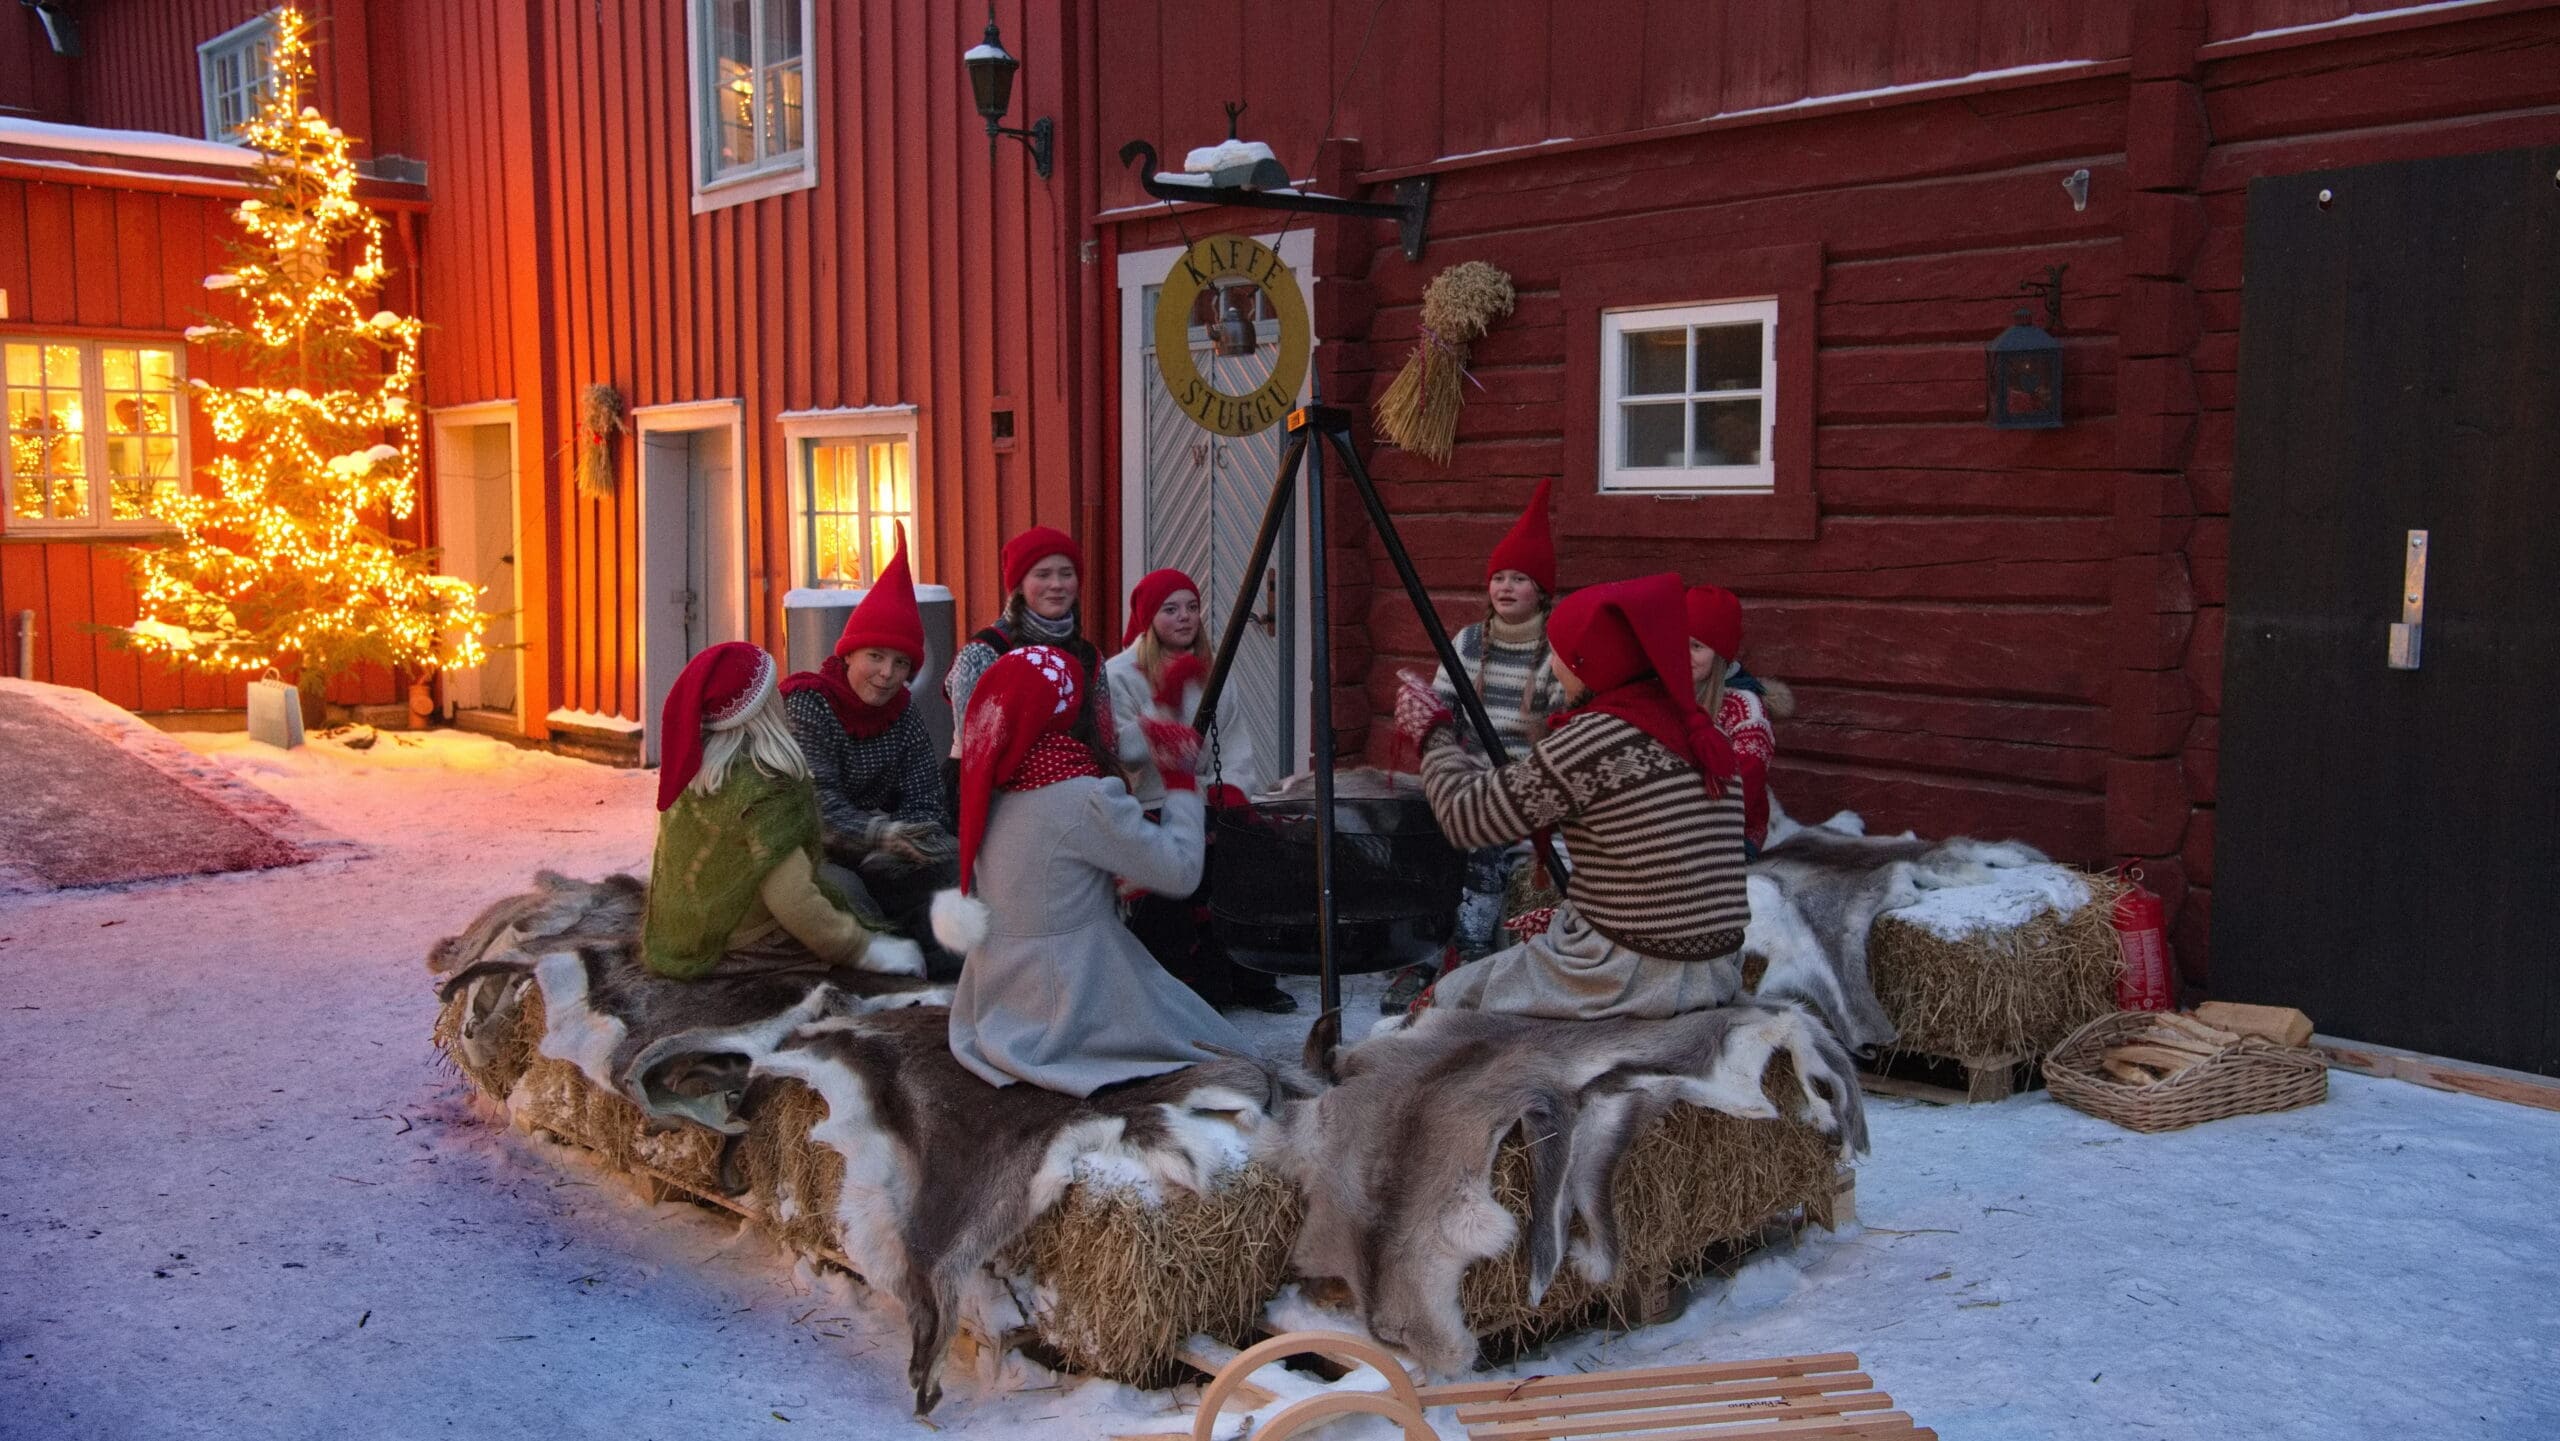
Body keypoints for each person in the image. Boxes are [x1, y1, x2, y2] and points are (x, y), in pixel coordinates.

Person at [1391, 572, 1748, 1021]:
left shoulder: (1599, 737)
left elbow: (1466, 819)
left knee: (1444, 1005)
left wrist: (1433, 732)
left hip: (1627, 970)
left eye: (1555, 653)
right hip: (1713, 967)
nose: (1550, 665)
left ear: (1587, 662)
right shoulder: (1698, 729)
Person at [935, 645, 1248, 1096]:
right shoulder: (1082, 797)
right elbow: (1179, 872)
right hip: (1070, 997)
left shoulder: (992, 783)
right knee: (1229, 1053)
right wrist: (1179, 779)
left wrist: (1159, 717)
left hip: (997, 996)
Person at [1382, 478, 1567, 1012]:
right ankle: (1416, 957)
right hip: (1469, 775)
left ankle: (1473, 951)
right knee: (1416, 833)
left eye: (1520, 579)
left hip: (1527, 783)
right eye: (1499, 578)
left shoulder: (1555, 650)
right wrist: (1426, 714)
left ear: (1542, 591)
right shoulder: (1467, 642)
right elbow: (1445, 712)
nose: (1506, 588)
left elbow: (1565, 729)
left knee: (1482, 842)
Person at [641, 641, 926, 982]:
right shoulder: (766, 787)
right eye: (771, 690)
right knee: (851, 902)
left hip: (700, 929)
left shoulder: (703, 773)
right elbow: (792, 899)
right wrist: (867, 950)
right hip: (745, 945)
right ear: (759, 709)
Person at [1105, 567, 1294, 1014]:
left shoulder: (1215, 672)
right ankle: (1188, 981)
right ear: (1150, 618)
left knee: (1255, 858)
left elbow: (1235, 743)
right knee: (1176, 881)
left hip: (1209, 794)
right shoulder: (1120, 676)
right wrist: (1160, 737)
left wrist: (1231, 791)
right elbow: (1121, 750)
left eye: (1191, 607)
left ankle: (1253, 975)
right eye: (1171, 610)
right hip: (1150, 802)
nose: (1185, 618)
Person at [778, 527, 961, 977]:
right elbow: (817, 806)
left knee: (960, 873)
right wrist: (880, 834)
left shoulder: (904, 714)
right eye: (876, 657)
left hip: (884, 847)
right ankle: (884, 978)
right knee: (848, 894)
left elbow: (925, 795)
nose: (887, 674)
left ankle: (950, 972)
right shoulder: (809, 703)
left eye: (901, 664)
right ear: (849, 655)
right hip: (808, 852)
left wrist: (916, 839)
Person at [942, 526, 1112, 772]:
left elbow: (1106, 745)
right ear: (1019, 585)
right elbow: (976, 749)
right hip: (990, 796)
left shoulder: (1090, 658)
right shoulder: (984, 652)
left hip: (1081, 792)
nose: (1056, 584)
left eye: (1066, 574)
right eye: (1042, 575)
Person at [1684, 583, 1777, 857]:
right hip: (1676, 824)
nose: (1683, 653)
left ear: (1720, 653)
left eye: (1696, 646)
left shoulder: (1744, 710)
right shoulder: (1667, 695)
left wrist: (1693, 825)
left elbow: (1745, 783)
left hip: (1731, 831)